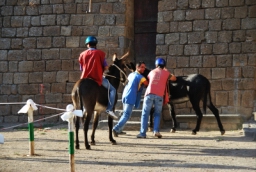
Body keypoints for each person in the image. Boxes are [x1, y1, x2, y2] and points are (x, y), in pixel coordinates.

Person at [79, 36, 118, 119]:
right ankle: (109, 109)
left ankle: (83, 108)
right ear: (95, 44)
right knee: (112, 90)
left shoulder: (82, 54)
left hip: (84, 79)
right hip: (97, 78)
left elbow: (81, 68)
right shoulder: (100, 53)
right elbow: (106, 67)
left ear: (87, 45)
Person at [137, 58, 176, 138]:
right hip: (159, 95)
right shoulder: (166, 73)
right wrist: (166, 70)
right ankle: (156, 131)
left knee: (145, 114)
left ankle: (142, 133)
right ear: (164, 65)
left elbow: (149, 79)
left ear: (156, 64)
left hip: (149, 94)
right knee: (157, 114)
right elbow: (174, 78)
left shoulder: (151, 72)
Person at [112, 61, 149, 137]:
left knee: (125, 114)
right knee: (126, 115)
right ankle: (116, 128)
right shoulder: (141, 77)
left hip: (125, 95)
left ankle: (119, 129)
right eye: (142, 67)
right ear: (137, 67)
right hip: (131, 96)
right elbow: (147, 83)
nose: (144, 69)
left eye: (144, 67)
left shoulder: (131, 74)